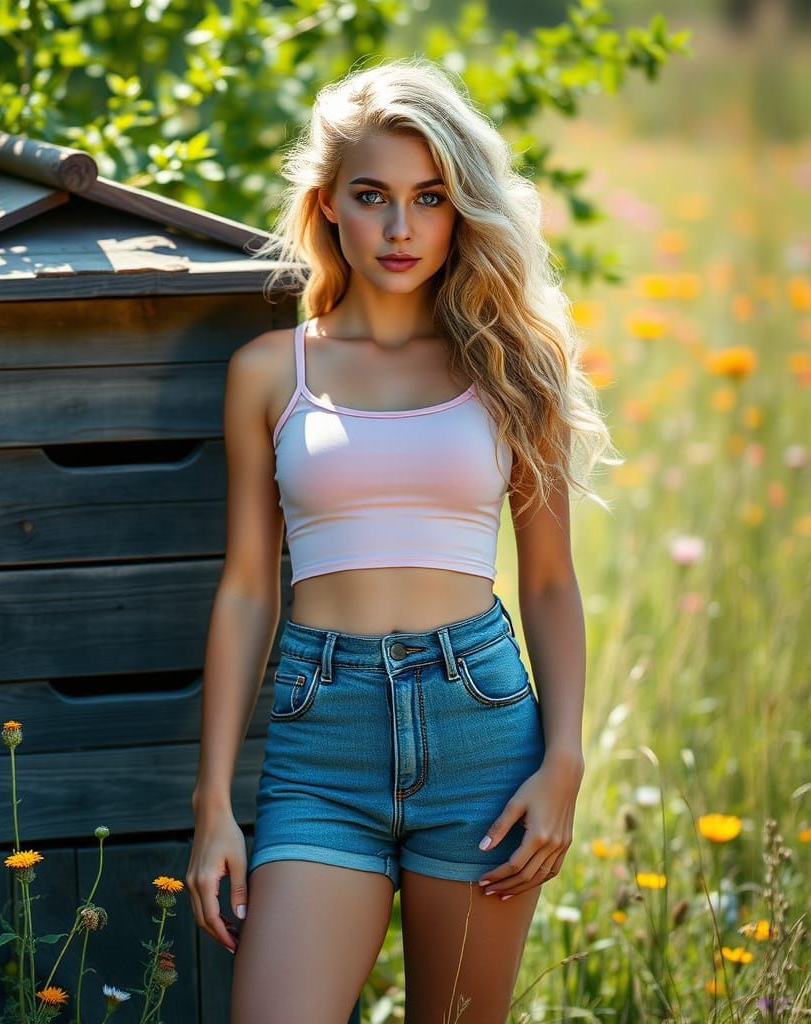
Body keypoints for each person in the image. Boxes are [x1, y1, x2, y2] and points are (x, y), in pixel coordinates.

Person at [186, 56, 617, 1024]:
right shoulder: (268, 371)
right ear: (327, 204)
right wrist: (212, 799)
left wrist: (564, 759)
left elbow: (548, 582)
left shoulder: (512, 366)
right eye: (372, 195)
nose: (399, 227)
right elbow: (249, 586)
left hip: (481, 729)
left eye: (429, 198)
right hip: (318, 735)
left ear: (460, 211)